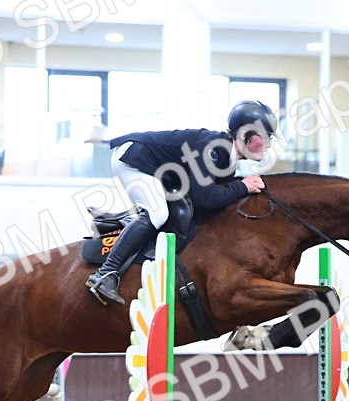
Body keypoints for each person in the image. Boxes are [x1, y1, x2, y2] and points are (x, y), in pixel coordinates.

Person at [84, 100, 276, 306]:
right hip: (132, 158)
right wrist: (243, 187)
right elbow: (207, 200)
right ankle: (105, 274)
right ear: (246, 134)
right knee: (157, 213)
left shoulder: (226, 159)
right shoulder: (210, 149)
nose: (269, 145)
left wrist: (241, 186)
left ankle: (119, 220)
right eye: (266, 137)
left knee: (164, 209)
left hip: (155, 167)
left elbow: (215, 195)